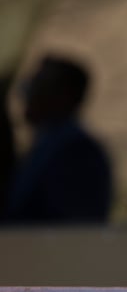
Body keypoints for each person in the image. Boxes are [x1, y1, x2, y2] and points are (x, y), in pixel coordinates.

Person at [2, 54, 113, 223]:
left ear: (63, 96)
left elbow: (71, 228)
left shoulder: (77, 152)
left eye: (38, 86)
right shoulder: (47, 145)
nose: (26, 95)